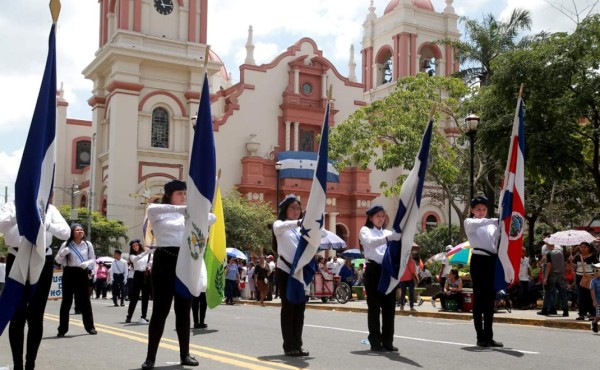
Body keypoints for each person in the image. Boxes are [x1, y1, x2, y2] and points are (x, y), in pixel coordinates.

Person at [0, 201, 70, 370]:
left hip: (42, 260)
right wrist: (22, 214)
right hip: (17, 258)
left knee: (36, 316)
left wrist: (46, 222)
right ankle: (18, 365)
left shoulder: (50, 209)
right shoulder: (12, 205)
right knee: (17, 316)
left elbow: (66, 232)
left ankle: (30, 363)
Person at [141, 179, 199, 369]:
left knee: (184, 310)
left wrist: (196, 211)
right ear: (169, 195)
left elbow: (211, 218)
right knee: (160, 311)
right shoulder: (157, 212)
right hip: (164, 261)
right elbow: (151, 210)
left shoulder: (189, 214)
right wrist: (182, 210)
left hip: (185, 261)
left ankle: (185, 354)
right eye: (179, 193)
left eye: (185, 193)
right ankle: (150, 357)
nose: (183, 196)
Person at [358, 204, 401, 352]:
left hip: (387, 270)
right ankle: (375, 342)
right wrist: (390, 237)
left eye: (383, 216)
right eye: (378, 216)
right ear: (370, 217)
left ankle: (388, 341)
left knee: (389, 308)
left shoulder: (388, 232)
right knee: (374, 308)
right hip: (373, 270)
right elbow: (371, 242)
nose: (381, 219)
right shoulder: (365, 230)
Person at [272, 194, 310, 357]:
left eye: (298, 208)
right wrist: (299, 222)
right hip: (286, 270)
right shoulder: (279, 224)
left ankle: (298, 344)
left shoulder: (301, 228)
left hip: (300, 271)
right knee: (288, 308)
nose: (296, 211)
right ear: (285, 210)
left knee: (300, 309)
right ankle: (289, 345)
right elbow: (280, 228)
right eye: (292, 208)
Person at [464, 196, 503, 348]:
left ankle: (489, 336)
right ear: (472, 210)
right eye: (478, 209)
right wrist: (496, 220)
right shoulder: (470, 222)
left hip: (491, 261)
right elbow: (480, 222)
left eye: (484, 209)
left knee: (489, 301)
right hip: (479, 260)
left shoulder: (492, 224)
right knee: (479, 301)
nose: (481, 212)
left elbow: (498, 238)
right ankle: (480, 337)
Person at [55, 223, 97, 337]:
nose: (80, 231)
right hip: (69, 273)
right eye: (77, 230)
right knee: (66, 302)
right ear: (72, 232)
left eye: (81, 230)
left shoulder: (87, 244)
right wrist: (63, 253)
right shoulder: (66, 244)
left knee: (85, 301)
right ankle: (62, 329)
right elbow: (58, 260)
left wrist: (87, 263)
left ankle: (90, 327)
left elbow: (93, 259)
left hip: (82, 273)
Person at [537, 242, 569, 317]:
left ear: (548, 245)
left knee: (547, 293)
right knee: (563, 293)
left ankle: (545, 309)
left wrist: (545, 278)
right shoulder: (561, 253)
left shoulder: (549, 253)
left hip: (552, 275)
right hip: (561, 275)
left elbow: (549, 265)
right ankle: (565, 310)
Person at [571, 242, 599, 320]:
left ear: (589, 248)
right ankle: (582, 314)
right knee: (581, 296)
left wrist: (595, 276)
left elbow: (597, 267)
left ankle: (592, 314)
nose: (582, 249)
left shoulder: (593, 256)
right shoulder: (577, 256)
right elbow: (574, 267)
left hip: (590, 278)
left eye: (584, 247)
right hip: (580, 277)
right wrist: (571, 261)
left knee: (591, 296)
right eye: (581, 247)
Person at [127, 239, 152, 323]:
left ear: (139, 245)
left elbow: (152, 260)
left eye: (136, 245)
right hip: (137, 275)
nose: (135, 247)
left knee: (145, 296)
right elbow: (135, 259)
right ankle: (129, 316)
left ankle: (143, 316)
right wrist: (146, 252)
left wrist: (149, 264)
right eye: (133, 246)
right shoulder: (132, 255)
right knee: (134, 296)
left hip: (146, 275)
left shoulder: (147, 255)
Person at [590, 262, 600, 333]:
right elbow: (592, 291)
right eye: (594, 271)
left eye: (597, 270)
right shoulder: (593, 281)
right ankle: (594, 322)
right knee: (599, 315)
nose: (595, 273)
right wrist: (594, 300)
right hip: (598, 301)